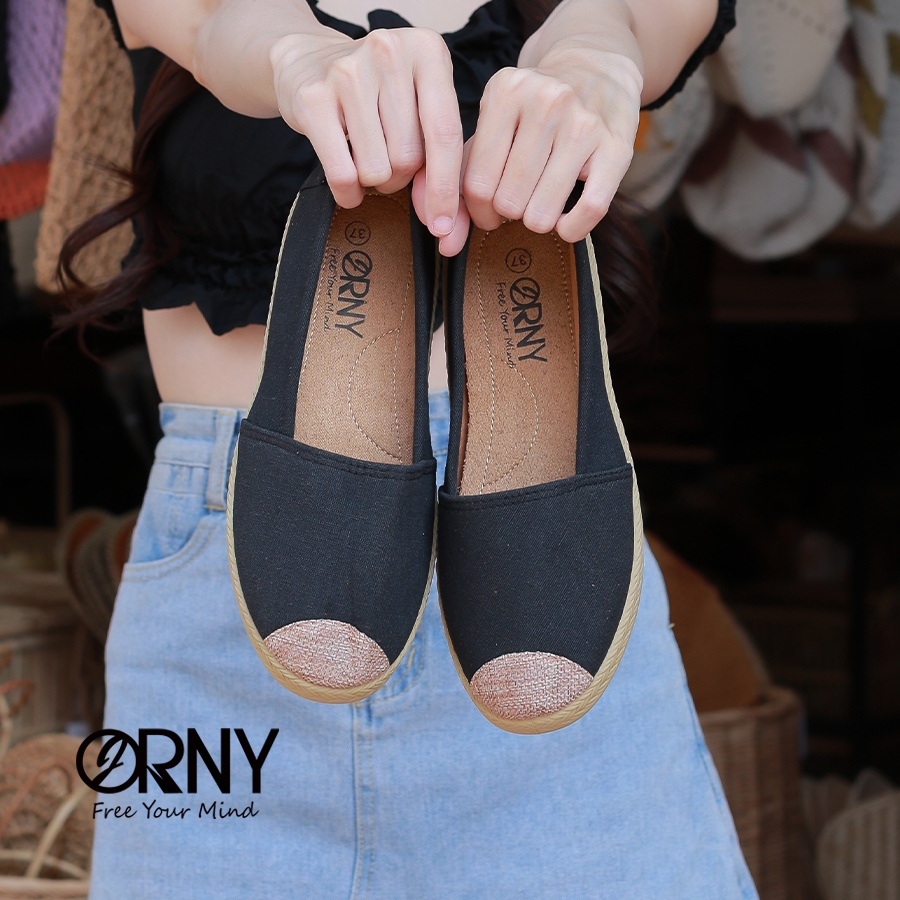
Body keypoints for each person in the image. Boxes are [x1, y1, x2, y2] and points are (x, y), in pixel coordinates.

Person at [62, 0, 756, 896]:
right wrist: (297, 59)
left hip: (549, 590)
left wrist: (597, 55)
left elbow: (633, 17)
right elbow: (215, 19)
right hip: (224, 602)